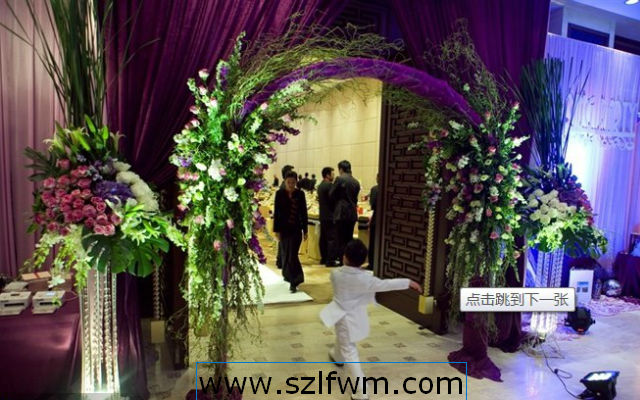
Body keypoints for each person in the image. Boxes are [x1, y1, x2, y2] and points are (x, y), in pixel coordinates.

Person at [320, 239, 422, 400]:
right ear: (364, 261)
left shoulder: (335, 275)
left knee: (349, 351)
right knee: (344, 342)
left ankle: (361, 391)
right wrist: (408, 282)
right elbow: (387, 284)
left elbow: (345, 277)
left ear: (344, 257)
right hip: (354, 317)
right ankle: (337, 356)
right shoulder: (366, 280)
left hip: (341, 316)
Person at [273, 171, 308, 292]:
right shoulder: (279, 194)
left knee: (292, 255)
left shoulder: (300, 194)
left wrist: (305, 230)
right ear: (285, 181)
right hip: (284, 229)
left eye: (293, 182)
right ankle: (289, 276)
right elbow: (277, 213)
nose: (291, 185)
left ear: (296, 182)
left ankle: (295, 280)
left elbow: (303, 212)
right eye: (289, 182)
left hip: (296, 229)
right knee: (285, 254)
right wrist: (276, 230)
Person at [330, 160, 360, 266]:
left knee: (340, 239)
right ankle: (349, 262)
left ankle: (342, 263)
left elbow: (331, 194)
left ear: (341, 169)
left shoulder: (340, 179)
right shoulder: (356, 182)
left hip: (341, 213)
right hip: (352, 214)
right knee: (348, 239)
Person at [317, 167, 336, 266]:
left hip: (322, 215)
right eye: (332, 174)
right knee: (331, 239)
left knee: (323, 238)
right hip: (330, 215)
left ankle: (323, 258)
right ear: (328, 175)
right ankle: (330, 260)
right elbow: (333, 200)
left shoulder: (320, 185)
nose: (334, 176)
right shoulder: (330, 186)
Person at [277, 164, 294, 270]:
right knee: (285, 244)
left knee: (284, 243)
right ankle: (283, 263)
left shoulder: (283, 185)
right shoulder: (285, 188)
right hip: (286, 220)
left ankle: (281, 262)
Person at [367, 174, 379, 271]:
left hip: (376, 218)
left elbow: (372, 204)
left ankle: (371, 264)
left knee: (373, 242)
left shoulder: (375, 189)